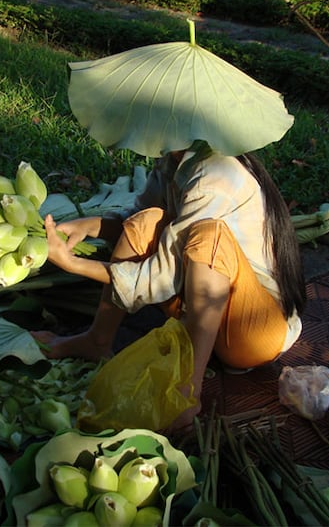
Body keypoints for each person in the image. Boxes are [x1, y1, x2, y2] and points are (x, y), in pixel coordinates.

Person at [32, 140, 306, 430]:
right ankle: (97, 340)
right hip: (205, 316)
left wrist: (76, 265)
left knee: (209, 238)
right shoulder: (173, 161)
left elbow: (158, 278)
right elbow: (137, 226)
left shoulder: (215, 177)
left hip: (255, 334)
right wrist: (91, 225)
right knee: (145, 222)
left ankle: (188, 393)